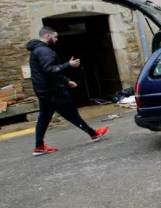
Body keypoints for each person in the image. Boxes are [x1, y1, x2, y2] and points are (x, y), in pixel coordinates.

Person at [26, 26, 108, 156]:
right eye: (55, 36)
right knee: (71, 113)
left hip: (44, 90)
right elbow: (49, 69)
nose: (57, 39)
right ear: (48, 36)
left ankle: (39, 146)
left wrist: (65, 81)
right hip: (53, 91)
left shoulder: (37, 50)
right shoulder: (44, 51)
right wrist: (68, 65)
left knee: (44, 117)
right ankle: (94, 134)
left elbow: (46, 73)